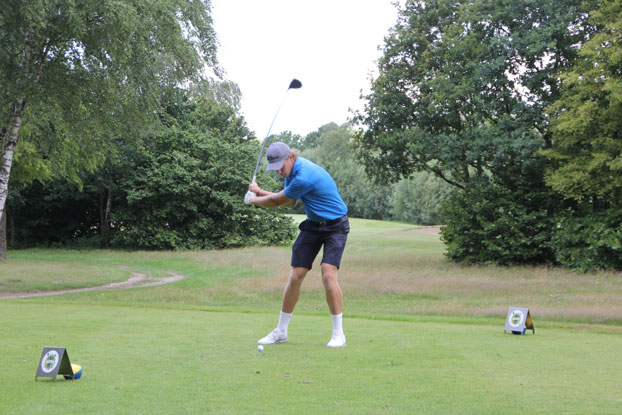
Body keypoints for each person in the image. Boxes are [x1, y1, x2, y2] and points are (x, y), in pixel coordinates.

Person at [246, 142, 349, 348]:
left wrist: (252, 200)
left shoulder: (304, 175)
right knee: (295, 276)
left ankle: (339, 334)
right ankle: (281, 332)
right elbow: (289, 202)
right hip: (313, 226)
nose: (278, 171)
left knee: (328, 274)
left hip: (335, 227)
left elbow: (277, 202)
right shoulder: (291, 173)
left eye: (280, 166)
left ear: (290, 158)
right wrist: (260, 192)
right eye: (275, 168)